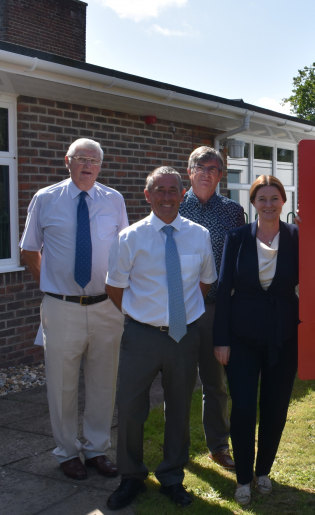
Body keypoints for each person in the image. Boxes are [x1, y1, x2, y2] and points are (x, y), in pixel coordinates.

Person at [104, 167, 217, 510]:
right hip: (141, 336)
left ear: (182, 195)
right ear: (147, 194)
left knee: (179, 408)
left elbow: (205, 282)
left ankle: (171, 477)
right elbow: (114, 287)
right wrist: (144, 314)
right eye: (159, 190)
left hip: (184, 337)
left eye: (173, 190)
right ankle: (131, 477)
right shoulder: (130, 237)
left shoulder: (200, 235)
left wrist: (177, 315)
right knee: (129, 407)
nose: (167, 196)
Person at [20, 138, 128, 480]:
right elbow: (28, 250)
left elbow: (124, 252)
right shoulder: (46, 198)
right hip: (61, 307)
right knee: (62, 384)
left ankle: (97, 449)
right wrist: (53, 285)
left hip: (105, 307)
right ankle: (67, 452)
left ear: (100, 165)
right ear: (67, 161)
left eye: (94, 160)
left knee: (102, 383)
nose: (87, 165)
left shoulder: (114, 200)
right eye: (80, 158)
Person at [213, 175, 299, 506]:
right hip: (242, 336)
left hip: (284, 336)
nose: (268, 204)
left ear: (283, 202)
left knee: (275, 408)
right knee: (245, 408)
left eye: (274, 198)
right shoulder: (236, 237)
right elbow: (223, 290)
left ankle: (264, 470)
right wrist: (221, 339)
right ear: (253, 203)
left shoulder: (296, 236)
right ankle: (244, 478)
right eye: (261, 198)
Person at [178, 146, 245, 470]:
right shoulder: (172, 205)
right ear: (189, 171)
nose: (206, 172)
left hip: (216, 308)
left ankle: (219, 446)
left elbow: (241, 260)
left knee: (215, 383)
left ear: (221, 174)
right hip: (178, 308)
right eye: (199, 167)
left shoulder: (233, 212)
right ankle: (176, 450)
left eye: (213, 168)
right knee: (176, 381)